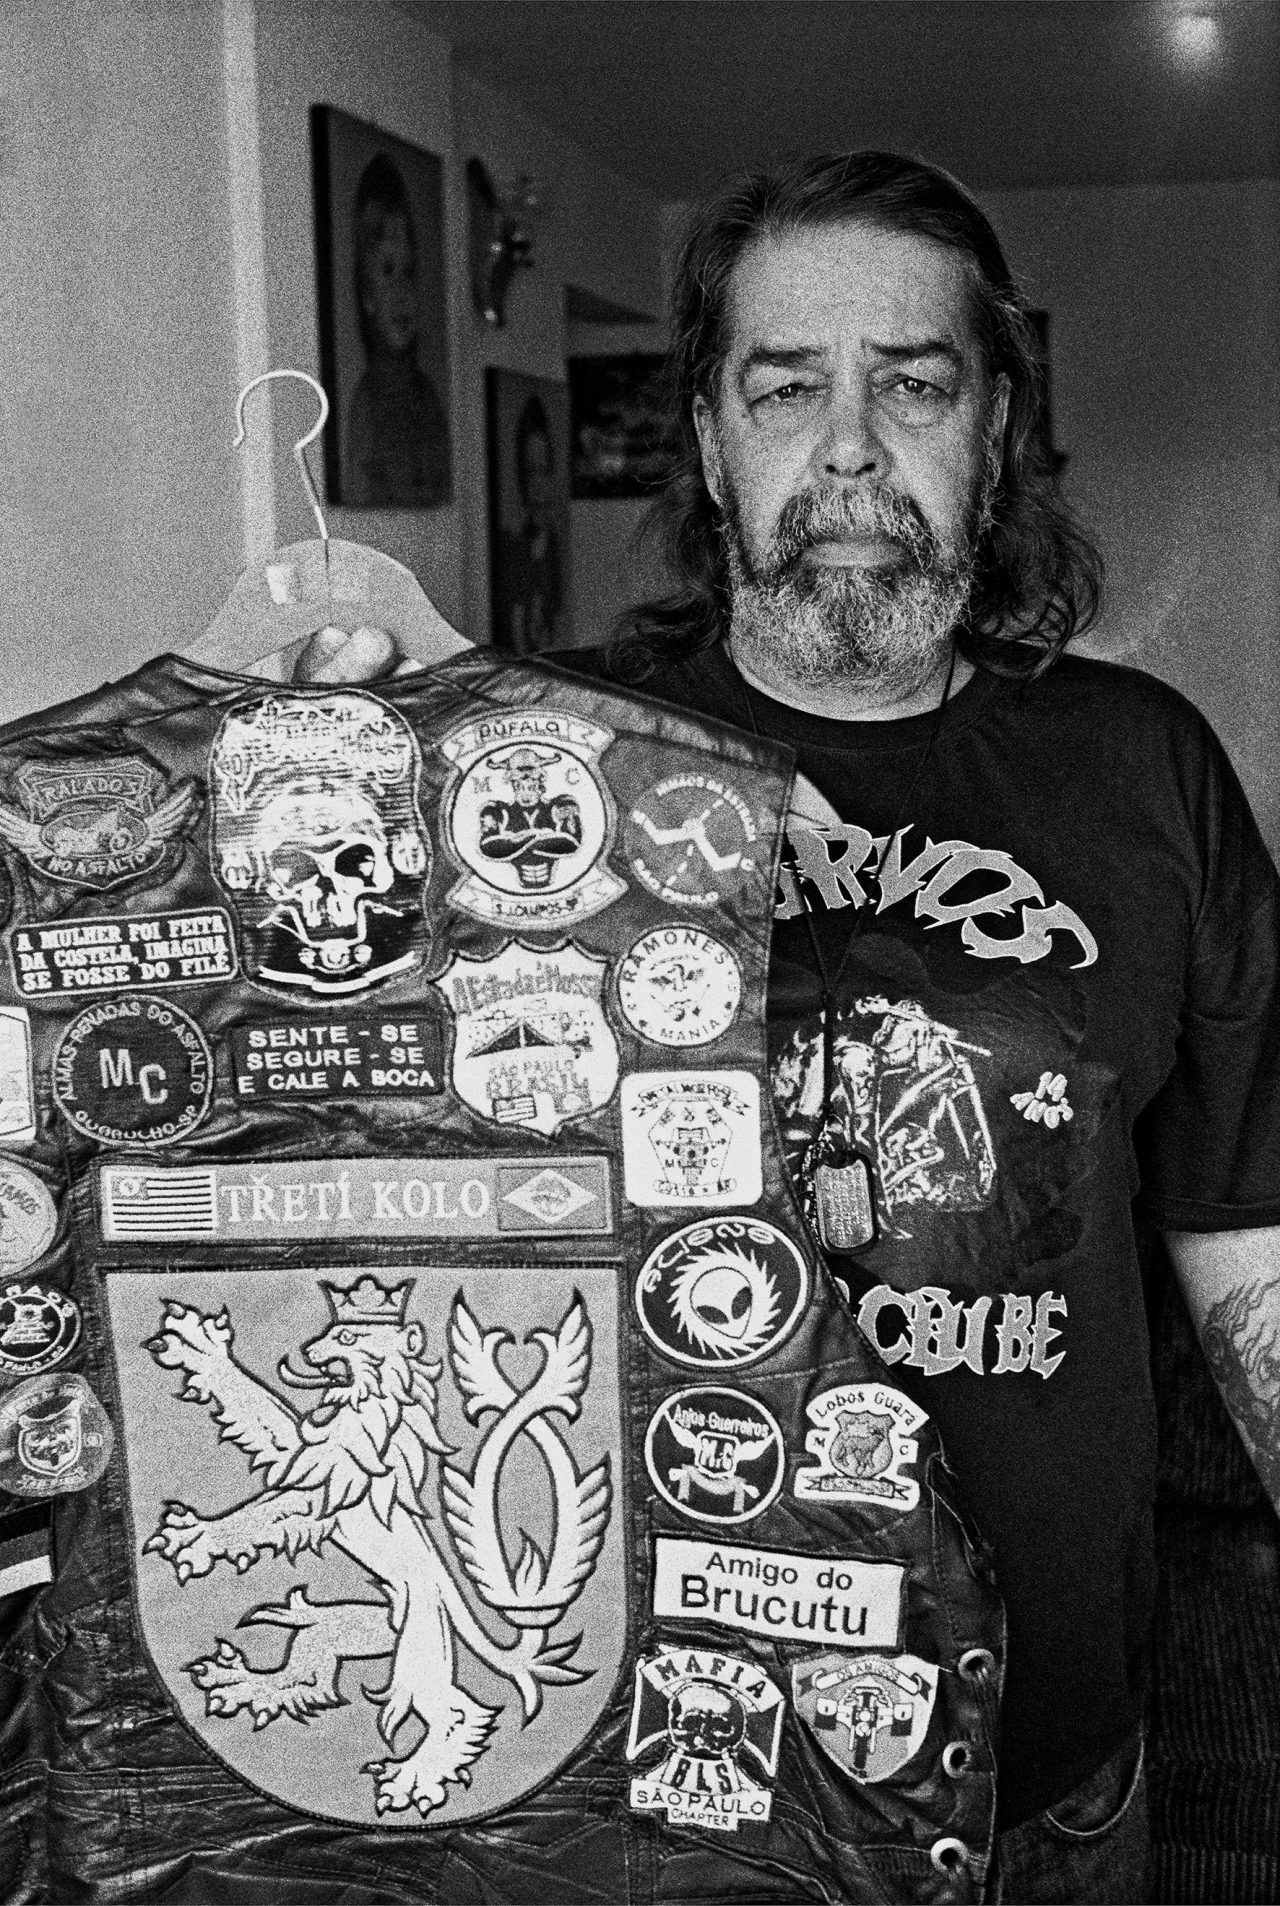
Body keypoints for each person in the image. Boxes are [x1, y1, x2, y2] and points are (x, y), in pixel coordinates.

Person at [553, 150, 1280, 1903]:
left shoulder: (1144, 768)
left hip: (1052, 1767)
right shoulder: (544, 771)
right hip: (652, 1765)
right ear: (711, 442)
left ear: (998, 427)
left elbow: (1249, 1236)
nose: (852, 449)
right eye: (785, 388)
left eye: (916, 384)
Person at [345, 151, 451, 507]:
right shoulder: (366, 405)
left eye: (409, 271)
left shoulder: (429, 400)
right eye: (387, 271)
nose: (402, 291)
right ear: (367, 295)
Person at [499, 395, 564, 652]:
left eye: (544, 471)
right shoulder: (513, 545)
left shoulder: (551, 541)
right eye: (530, 472)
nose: (538, 485)